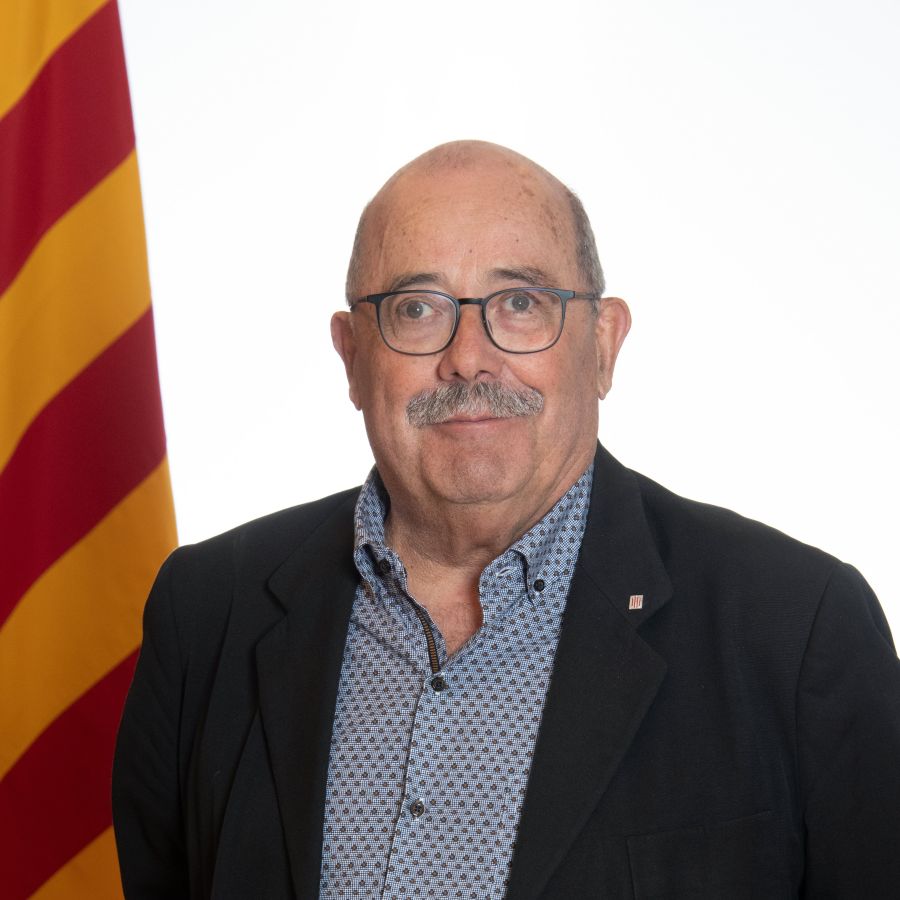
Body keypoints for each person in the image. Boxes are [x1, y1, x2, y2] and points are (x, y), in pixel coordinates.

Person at [112, 141, 900, 899]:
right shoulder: (207, 611)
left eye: (520, 303)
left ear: (603, 344)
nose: (468, 357)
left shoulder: (797, 631)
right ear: (352, 356)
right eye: (416, 308)